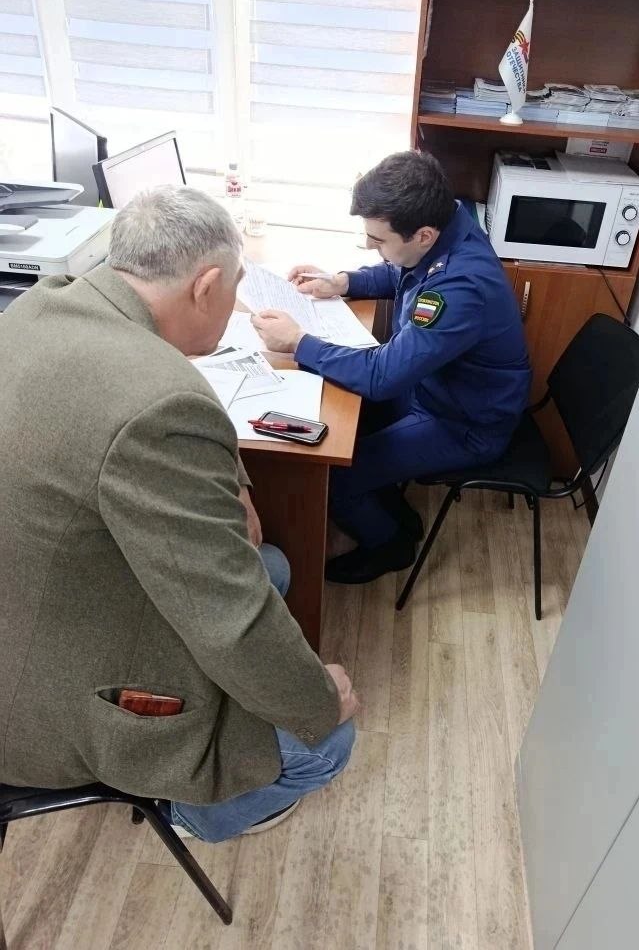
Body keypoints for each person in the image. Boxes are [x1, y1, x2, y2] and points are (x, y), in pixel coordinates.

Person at [0, 186, 357, 843]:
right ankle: (190, 813)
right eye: (236, 290)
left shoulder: (44, 305)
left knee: (271, 566)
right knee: (325, 741)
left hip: (35, 595)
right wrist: (315, 699)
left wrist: (232, 479)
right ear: (207, 286)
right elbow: (229, 616)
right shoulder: (157, 403)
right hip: (33, 690)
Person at [251, 151, 531, 584]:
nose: (370, 246)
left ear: (423, 235)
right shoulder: (447, 222)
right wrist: (343, 281)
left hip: (465, 422)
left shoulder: (460, 288)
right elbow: (402, 269)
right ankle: (398, 516)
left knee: (336, 472)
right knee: (336, 425)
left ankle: (391, 546)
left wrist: (299, 342)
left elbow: (382, 377)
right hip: (435, 389)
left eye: (378, 240)